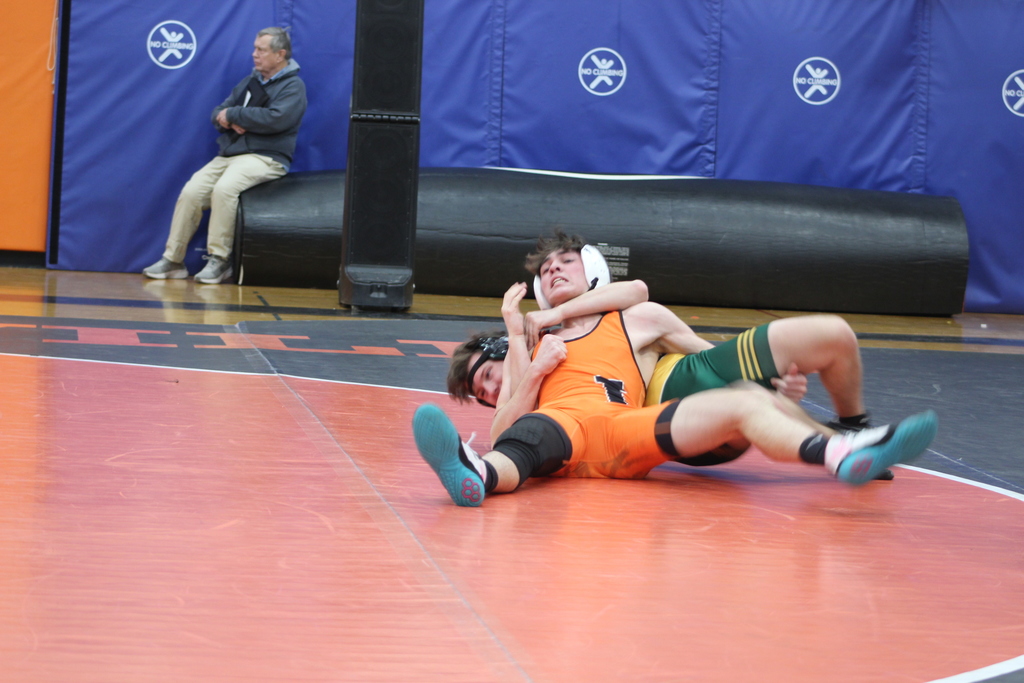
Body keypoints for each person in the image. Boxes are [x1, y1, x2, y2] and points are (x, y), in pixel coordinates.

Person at [413, 232, 937, 506]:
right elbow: (506, 426)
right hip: (576, 424)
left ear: (591, 268)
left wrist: (777, 390)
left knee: (751, 397)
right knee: (526, 444)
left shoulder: (629, 313)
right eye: (545, 272)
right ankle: (475, 475)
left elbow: (644, 300)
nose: (552, 270)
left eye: (564, 263)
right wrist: (519, 327)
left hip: (637, 422)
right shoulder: (532, 342)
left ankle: (845, 449)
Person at [143, 27, 307, 284]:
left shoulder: (293, 86)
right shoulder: (250, 81)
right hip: (231, 154)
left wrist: (235, 115)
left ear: (280, 54)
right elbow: (218, 111)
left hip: (266, 157)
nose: (254, 54)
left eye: (261, 50)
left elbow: (277, 119)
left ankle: (220, 261)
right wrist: (229, 117)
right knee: (191, 192)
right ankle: (174, 261)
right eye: (255, 48)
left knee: (224, 189)